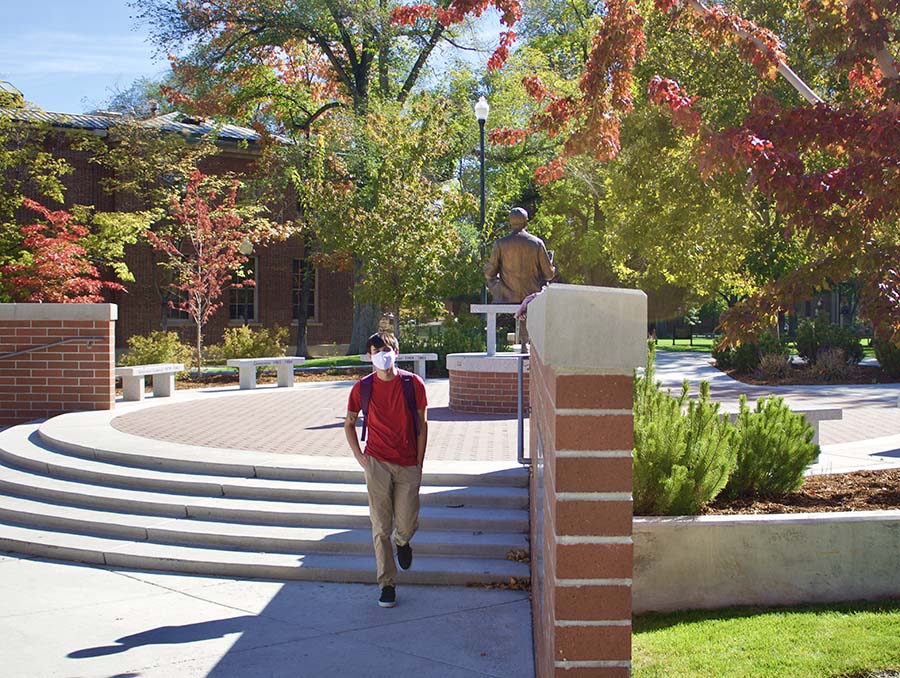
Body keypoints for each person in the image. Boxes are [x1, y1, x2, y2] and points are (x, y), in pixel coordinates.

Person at [344, 331, 428, 608]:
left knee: (405, 522)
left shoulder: (412, 383)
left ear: (397, 351)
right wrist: (360, 456)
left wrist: (419, 461)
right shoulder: (362, 388)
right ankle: (387, 584)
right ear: (369, 356)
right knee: (380, 527)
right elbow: (349, 424)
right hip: (376, 462)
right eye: (376, 351)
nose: (383, 355)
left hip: (407, 463)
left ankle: (403, 542)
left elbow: (422, 424)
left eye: (387, 349)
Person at [484, 207, 556, 305]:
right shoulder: (537, 243)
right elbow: (549, 275)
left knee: (490, 277)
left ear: (510, 222)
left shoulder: (500, 243)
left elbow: (489, 273)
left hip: (506, 298)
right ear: (526, 222)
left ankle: (502, 294)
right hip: (532, 297)